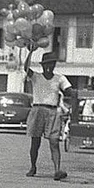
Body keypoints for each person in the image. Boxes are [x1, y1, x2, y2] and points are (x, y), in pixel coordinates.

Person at [25, 48, 74, 180]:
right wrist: (30, 52)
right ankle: (33, 166)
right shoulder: (36, 77)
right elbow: (26, 68)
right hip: (37, 109)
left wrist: (71, 94)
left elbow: (69, 90)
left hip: (52, 111)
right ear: (43, 65)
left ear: (54, 65)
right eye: (46, 64)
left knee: (54, 141)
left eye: (51, 64)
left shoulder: (59, 78)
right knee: (35, 142)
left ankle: (57, 170)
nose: (49, 66)